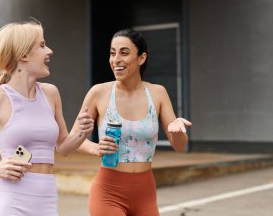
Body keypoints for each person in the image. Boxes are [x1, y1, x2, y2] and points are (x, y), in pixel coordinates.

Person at [0, 20, 94, 216]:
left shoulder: (51, 93)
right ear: (23, 55)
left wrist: (82, 133)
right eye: (41, 45)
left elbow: (63, 146)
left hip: (47, 200)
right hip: (11, 202)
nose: (49, 51)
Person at [74, 29, 192, 216]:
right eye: (113, 53)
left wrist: (178, 133)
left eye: (124, 52)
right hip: (108, 192)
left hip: (145, 193)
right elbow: (75, 138)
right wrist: (95, 149)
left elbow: (179, 146)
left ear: (141, 58)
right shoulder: (98, 93)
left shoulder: (158, 93)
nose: (116, 59)